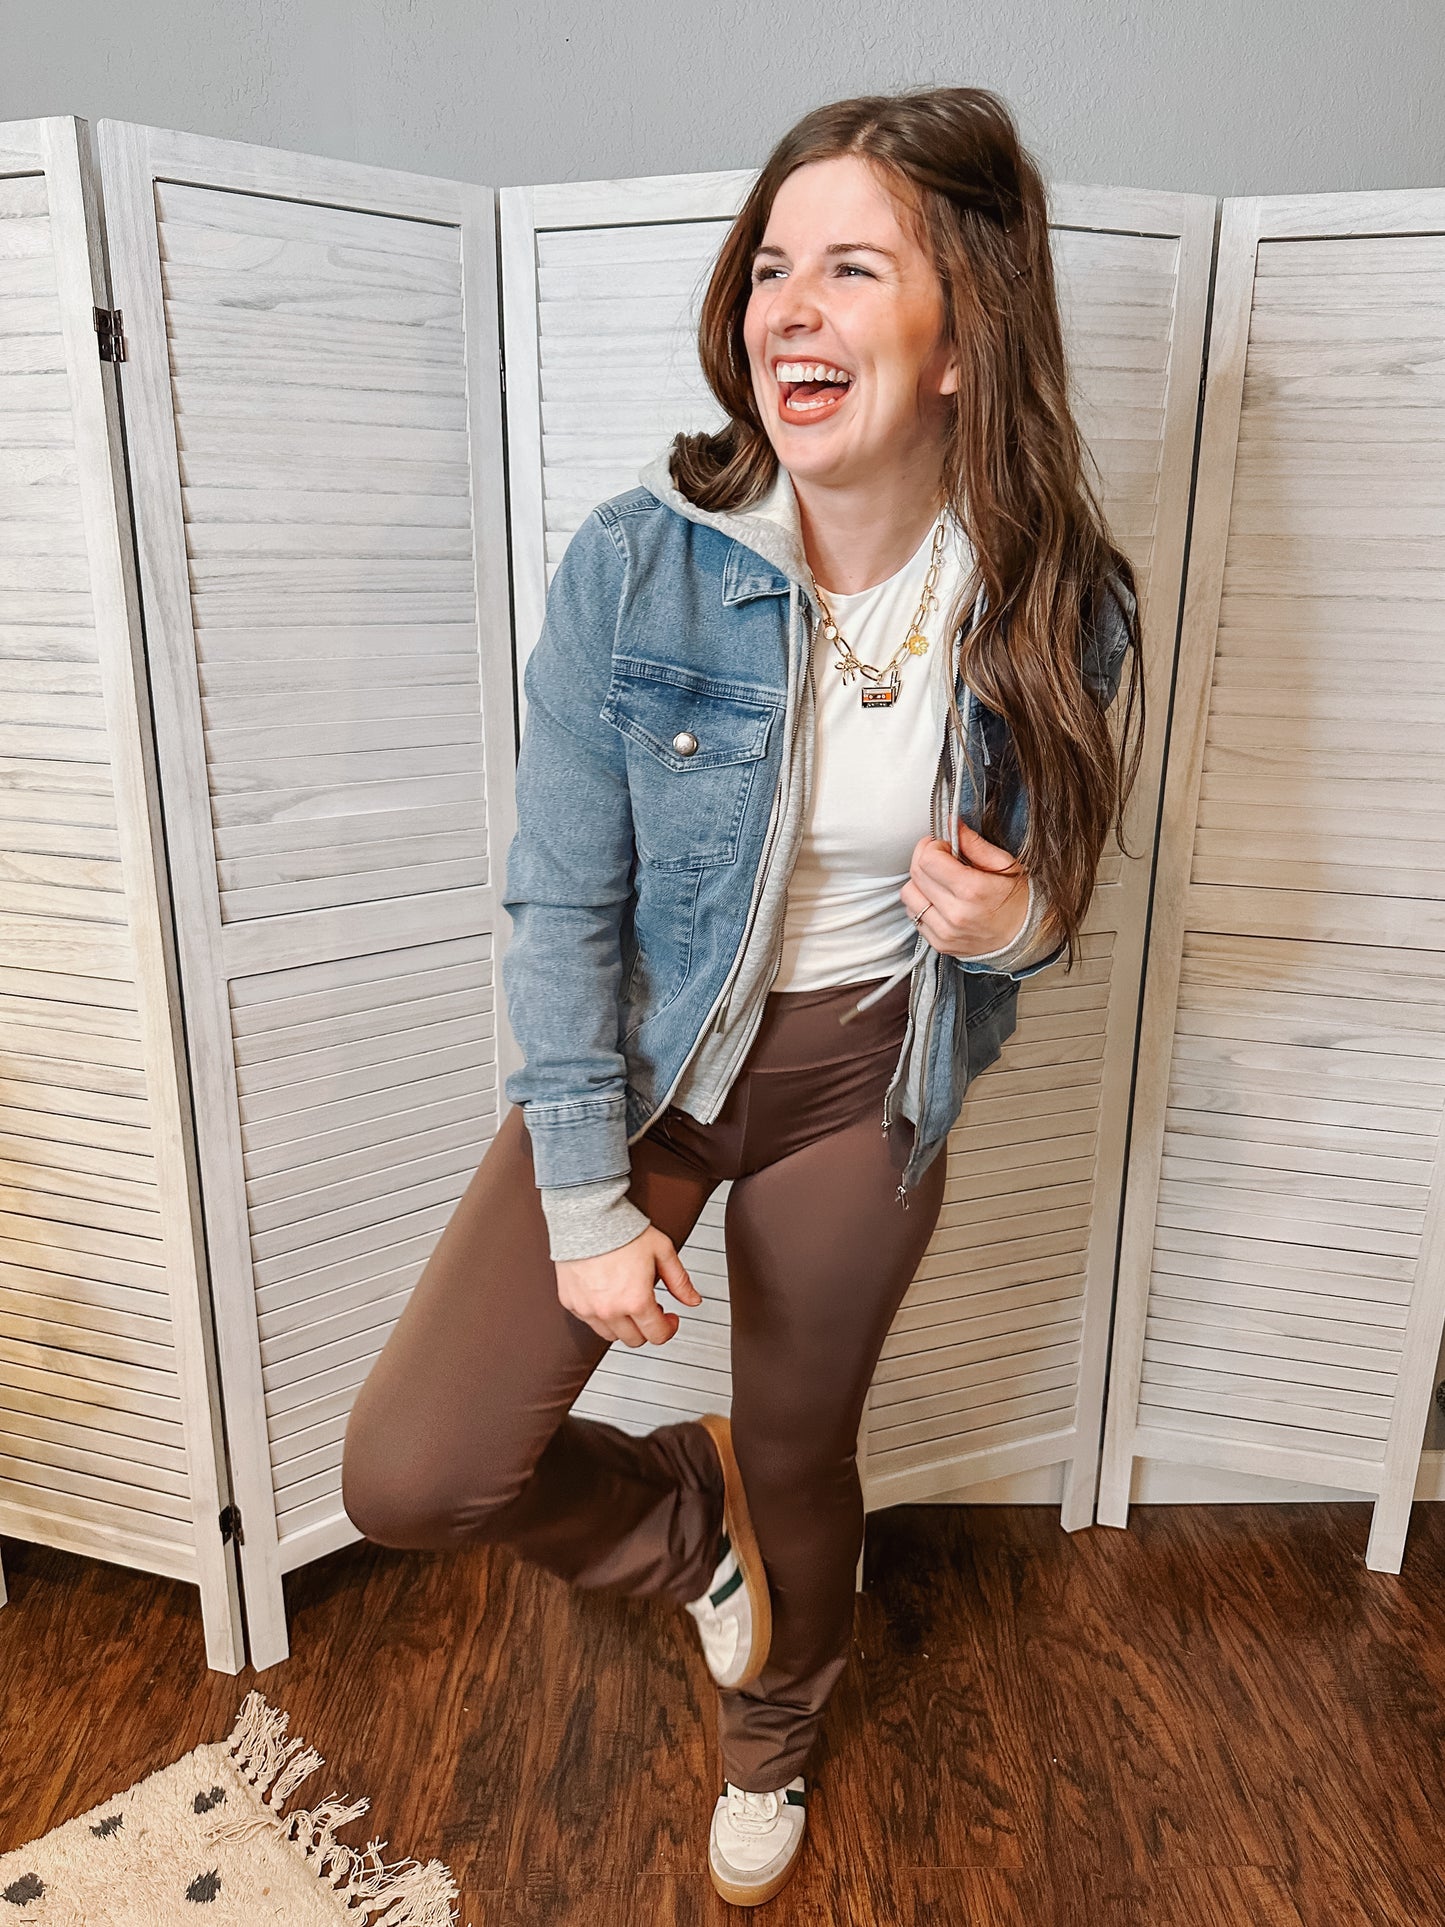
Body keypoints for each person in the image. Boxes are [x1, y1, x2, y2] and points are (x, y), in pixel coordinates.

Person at [342, 84, 1144, 1908]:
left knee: (799, 1451)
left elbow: (1057, 913)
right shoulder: (641, 563)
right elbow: (562, 901)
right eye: (771, 265)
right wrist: (582, 1198)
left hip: (866, 1085)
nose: (788, 305)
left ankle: (772, 1726)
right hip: (651, 1072)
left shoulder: (1054, 600)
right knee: (418, 1469)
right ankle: (680, 1527)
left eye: (850, 267)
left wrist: (1009, 921)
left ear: (962, 336)